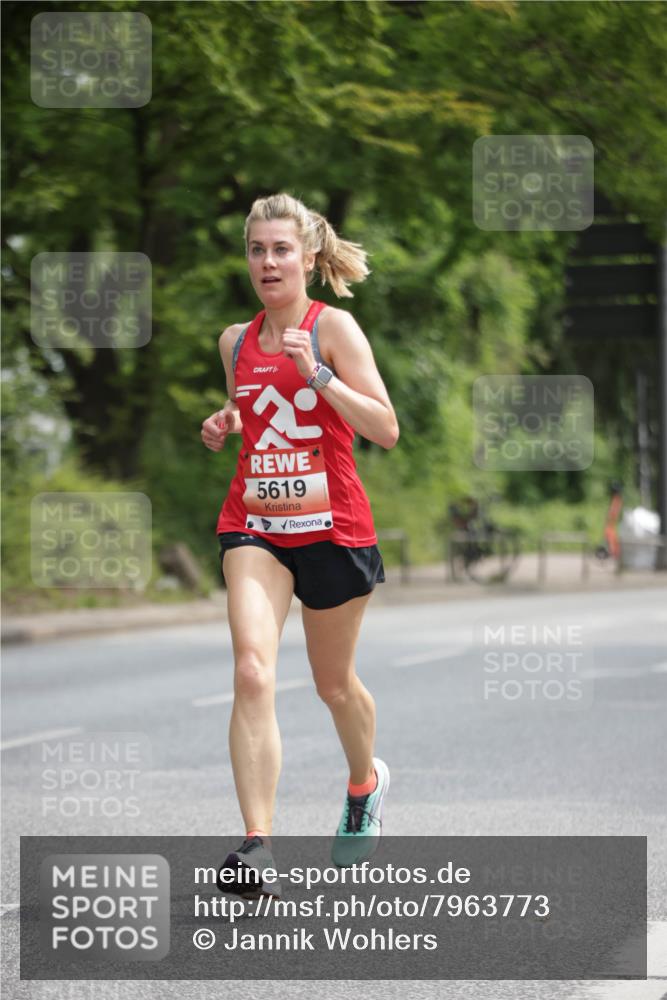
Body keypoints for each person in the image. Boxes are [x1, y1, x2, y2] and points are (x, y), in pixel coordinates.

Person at [201, 192, 399, 897]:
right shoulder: (234, 340)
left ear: (308, 259)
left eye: (280, 249)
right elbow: (253, 409)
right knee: (253, 670)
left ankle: (364, 782)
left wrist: (319, 374)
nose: (267, 262)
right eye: (256, 250)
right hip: (254, 521)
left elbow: (384, 427)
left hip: (332, 529)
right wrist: (225, 419)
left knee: (331, 685)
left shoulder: (334, 328)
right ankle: (257, 844)